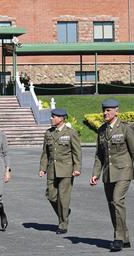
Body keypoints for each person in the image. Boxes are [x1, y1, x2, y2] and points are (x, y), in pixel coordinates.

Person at [90, 99, 134, 252]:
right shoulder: (102, 130)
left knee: (117, 200)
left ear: (117, 111)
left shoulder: (125, 128)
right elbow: (99, 155)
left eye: (108, 110)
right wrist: (95, 174)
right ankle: (125, 237)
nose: (105, 113)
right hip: (108, 174)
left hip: (124, 171)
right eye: (104, 110)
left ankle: (118, 238)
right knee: (111, 205)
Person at [39, 108, 81, 235]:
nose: (51, 118)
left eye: (53, 116)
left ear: (61, 118)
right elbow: (45, 153)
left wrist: (77, 168)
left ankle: (63, 224)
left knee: (63, 198)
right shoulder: (48, 133)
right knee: (50, 195)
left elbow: (77, 152)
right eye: (51, 116)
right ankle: (64, 212)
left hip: (66, 170)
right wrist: (42, 168)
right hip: (52, 169)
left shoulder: (71, 133)